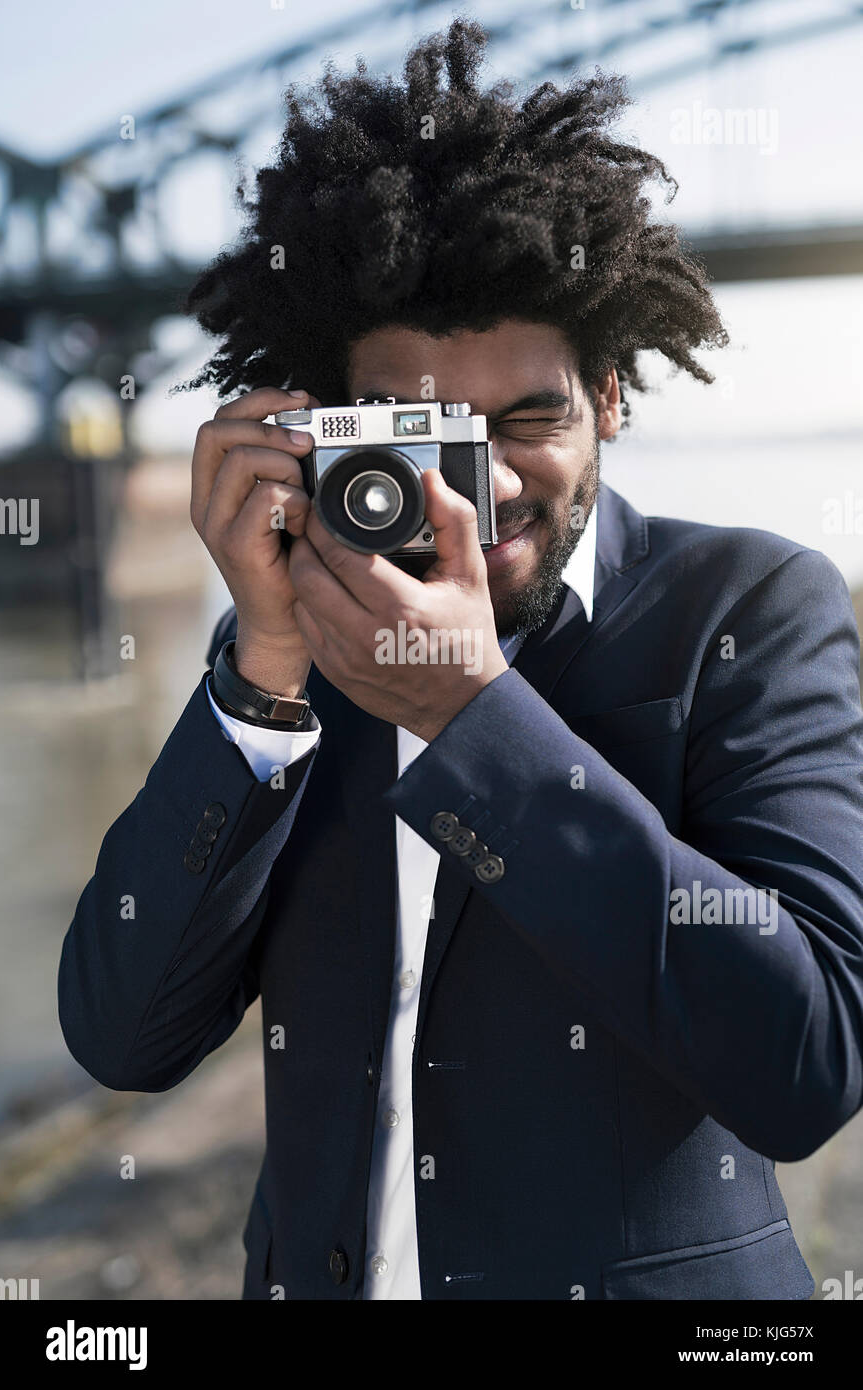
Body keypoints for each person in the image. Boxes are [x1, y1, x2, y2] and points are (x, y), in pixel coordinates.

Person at [58, 19, 863, 1300]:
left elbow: (807, 1061)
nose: (475, 488)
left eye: (525, 419)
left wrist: (469, 712)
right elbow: (121, 1035)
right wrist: (260, 671)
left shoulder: (750, 606)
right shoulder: (295, 637)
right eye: (420, 430)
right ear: (323, 427)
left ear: (610, 400)